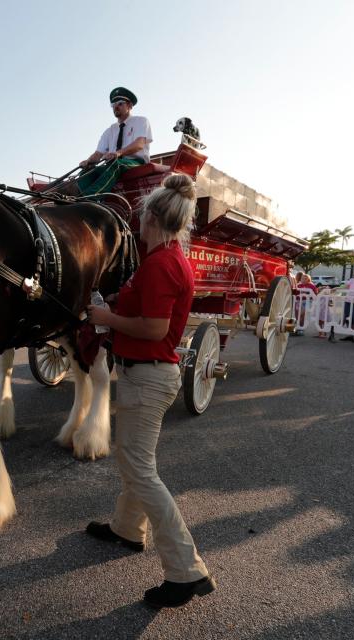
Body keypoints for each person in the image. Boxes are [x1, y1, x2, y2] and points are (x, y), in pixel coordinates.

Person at [84, 173, 215, 609]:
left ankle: (186, 571)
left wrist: (105, 315)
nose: (138, 222)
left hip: (148, 374)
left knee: (140, 468)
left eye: (142, 216)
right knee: (134, 458)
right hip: (148, 372)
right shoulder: (168, 255)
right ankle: (125, 528)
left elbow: (155, 328)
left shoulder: (161, 264)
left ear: (153, 218)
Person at [76, 87, 152, 196]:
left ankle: (90, 198)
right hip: (112, 164)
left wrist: (118, 153)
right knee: (87, 172)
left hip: (136, 162)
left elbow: (139, 144)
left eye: (120, 103)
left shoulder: (141, 121)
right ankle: (76, 199)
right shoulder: (109, 130)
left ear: (130, 105)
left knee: (115, 165)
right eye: (113, 105)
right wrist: (87, 162)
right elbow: (98, 154)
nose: (116, 107)